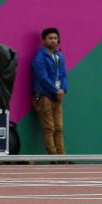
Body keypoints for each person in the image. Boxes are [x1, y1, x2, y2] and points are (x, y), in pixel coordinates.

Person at [32, 28, 68, 156]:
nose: (53, 40)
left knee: (58, 128)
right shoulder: (39, 57)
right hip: (43, 96)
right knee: (49, 128)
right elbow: (42, 77)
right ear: (43, 40)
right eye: (50, 38)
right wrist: (56, 91)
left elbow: (64, 75)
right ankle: (53, 157)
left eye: (55, 38)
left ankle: (62, 156)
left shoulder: (60, 56)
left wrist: (63, 89)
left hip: (57, 96)